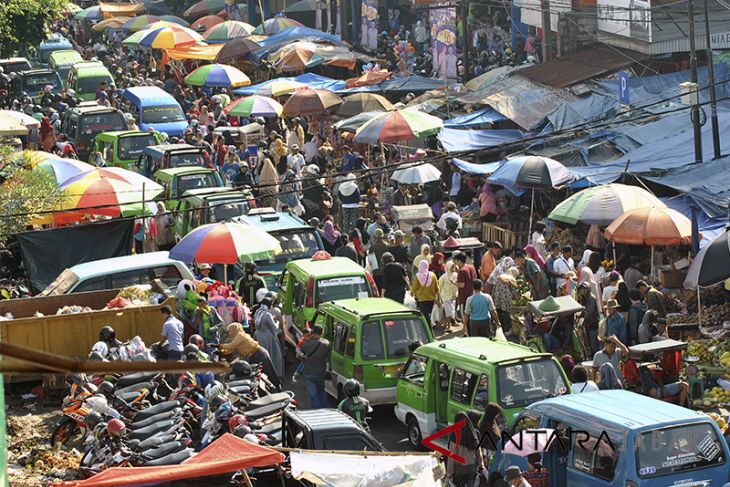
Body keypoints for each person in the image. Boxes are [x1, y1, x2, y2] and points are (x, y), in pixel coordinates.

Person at [219, 322, 282, 390]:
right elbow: (231, 350)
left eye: (230, 331)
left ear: (234, 330)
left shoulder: (240, 336)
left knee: (269, 372)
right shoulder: (236, 337)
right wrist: (221, 353)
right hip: (253, 355)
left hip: (259, 354)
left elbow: (231, 346)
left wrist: (219, 346)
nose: (229, 333)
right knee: (257, 375)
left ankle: (278, 388)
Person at [253, 293, 284, 383]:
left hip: (258, 337)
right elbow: (274, 328)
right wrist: (277, 322)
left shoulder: (258, 312)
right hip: (269, 338)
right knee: (275, 357)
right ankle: (276, 376)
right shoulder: (267, 314)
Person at [446, 410, 481, 487]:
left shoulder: (454, 435)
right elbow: (478, 450)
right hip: (471, 466)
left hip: (459, 469)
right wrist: (480, 463)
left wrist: (449, 471)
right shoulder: (473, 433)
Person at [299, 325, 330, 409]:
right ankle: (324, 410)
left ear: (312, 332)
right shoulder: (326, 344)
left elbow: (298, 354)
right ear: (322, 333)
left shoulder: (306, 344)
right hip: (321, 373)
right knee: (322, 392)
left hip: (309, 373)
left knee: (313, 395)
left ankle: (316, 412)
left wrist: (303, 356)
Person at [411, 260, 441, 329]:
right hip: (432, 300)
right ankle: (429, 329)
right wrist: (439, 299)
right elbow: (437, 288)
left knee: (425, 317)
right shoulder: (433, 275)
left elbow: (413, 289)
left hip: (422, 300)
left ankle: (429, 332)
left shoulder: (417, 276)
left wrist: (412, 293)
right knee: (428, 316)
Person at [493, 267, 519, 336]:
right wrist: (517, 297)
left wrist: (494, 296)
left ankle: (499, 328)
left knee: (499, 311)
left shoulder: (501, 276)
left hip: (497, 297)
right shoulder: (512, 279)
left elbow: (494, 288)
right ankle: (507, 330)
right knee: (506, 312)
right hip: (505, 298)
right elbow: (514, 293)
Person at [577, 282, 600, 356]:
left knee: (594, 345)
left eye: (585, 289)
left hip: (593, 325)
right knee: (590, 344)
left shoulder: (591, 298)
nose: (583, 291)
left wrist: (582, 322)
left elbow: (589, 313)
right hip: (588, 325)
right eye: (582, 289)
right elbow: (584, 311)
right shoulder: (584, 298)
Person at [439, 262, 459, 332]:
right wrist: (438, 298)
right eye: (452, 267)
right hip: (445, 296)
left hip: (453, 296)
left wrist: (457, 293)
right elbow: (440, 288)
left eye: (454, 267)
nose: (453, 269)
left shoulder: (456, 275)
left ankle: (445, 324)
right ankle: (449, 327)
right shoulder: (443, 277)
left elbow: (457, 285)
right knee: (449, 313)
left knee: (451, 312)